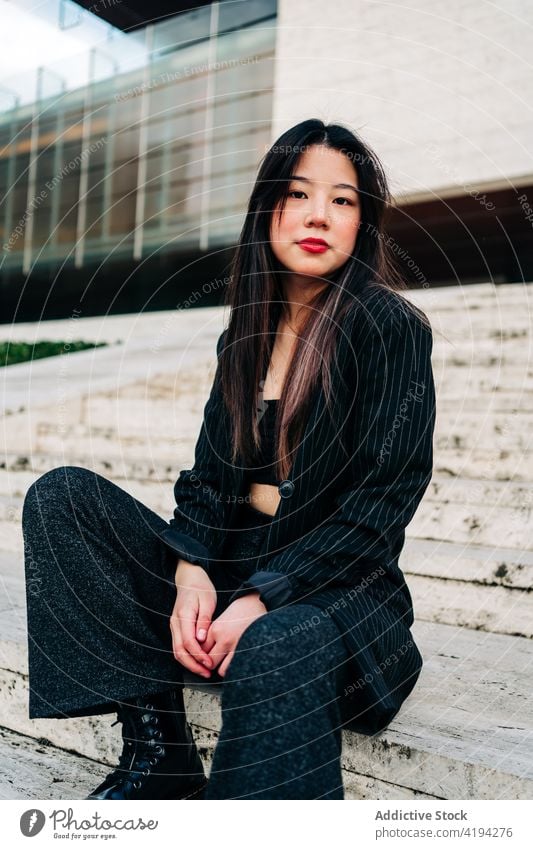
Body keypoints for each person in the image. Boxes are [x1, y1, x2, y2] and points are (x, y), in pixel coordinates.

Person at [21, 119, 436, 800]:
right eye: (297, 194)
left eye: (342, 200)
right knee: (62, 498)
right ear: (266, 209)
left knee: (279, 639)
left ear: (363, 223)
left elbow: (379, 509)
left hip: (336, 601)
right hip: (232, 581)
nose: (316, 215)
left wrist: (259, 598)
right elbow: (211, 482)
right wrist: (191, 573)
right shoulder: (243, 334)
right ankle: (157, 753)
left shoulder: (389, 327)